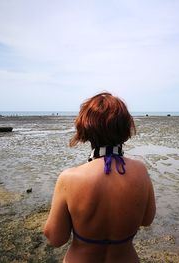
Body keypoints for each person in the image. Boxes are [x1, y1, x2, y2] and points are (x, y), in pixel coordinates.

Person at [44, 92, 156, 263]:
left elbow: (56, 238)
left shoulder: (69, 178)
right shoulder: (140, 171)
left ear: (86, 128)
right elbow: (147, 220)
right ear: (125, 128)